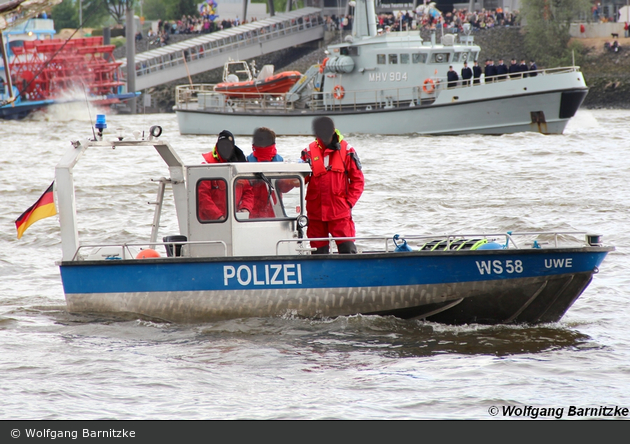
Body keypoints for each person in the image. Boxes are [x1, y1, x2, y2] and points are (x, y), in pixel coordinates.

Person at [300, 117, 364, 254]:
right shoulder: (308, 152)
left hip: (340, 213)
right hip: (316, 214)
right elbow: (299, 180)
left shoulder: (347, 150)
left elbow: (358, 181)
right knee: (318, 256)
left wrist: (349, 202)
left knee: (348, 251)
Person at [198, 130, 253, 221]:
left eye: (228, 145)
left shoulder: (239, 167)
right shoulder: (207, 168)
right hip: (210, 222)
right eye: (222, 145)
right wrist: (219, 217)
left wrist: (245, 209)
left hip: (235, 220)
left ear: (233, 147)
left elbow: (248, 192)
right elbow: (203, 197)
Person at [247, 127, 298, 219]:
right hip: (264, 213)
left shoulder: (246, 162)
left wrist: (291, 181)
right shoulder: (281, 161)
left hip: (266, 212)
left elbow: (283, 188)